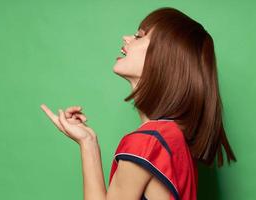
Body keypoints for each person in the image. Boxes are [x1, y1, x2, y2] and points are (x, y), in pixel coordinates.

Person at [40, 6, 237, 200]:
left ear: (163, 58)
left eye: (139, 36)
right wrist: (87, 140)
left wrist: (87, 143)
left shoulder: (147, 142)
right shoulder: (174, 139)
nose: (126, 38)